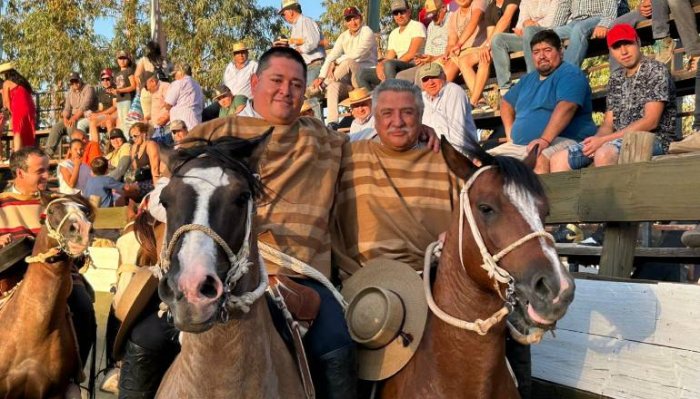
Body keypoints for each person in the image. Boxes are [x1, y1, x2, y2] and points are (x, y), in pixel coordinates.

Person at [332, 77, 459, 275]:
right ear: (376, 118)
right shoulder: (348, 155)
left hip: (436, 278)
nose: (397, 122)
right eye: (387, 113)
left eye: (407, 113)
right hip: (365, 282)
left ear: (420, 116)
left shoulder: (447, 161)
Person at [0, 147, 96, 386]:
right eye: (40, 171)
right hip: (9, 278)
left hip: (57, 276)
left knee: (84, 309)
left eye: (48, 170)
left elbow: (77, 241)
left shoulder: (58, 203)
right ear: (19, 173)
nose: (47, 176)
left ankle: (74, 375)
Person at [549, 23, 677, 171]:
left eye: (628, 43)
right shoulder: (616, 78)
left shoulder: (655, 70)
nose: (623, 51)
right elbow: (608, 124)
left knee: (604, 153)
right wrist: (596, 140)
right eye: (617, 47)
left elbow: (651, 121)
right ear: (611, 51)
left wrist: (604, 141)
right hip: (616, 139)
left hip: (654, 139)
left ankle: (610, 195)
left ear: (638, 42)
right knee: (559, 159)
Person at [491, 29, 597, 174]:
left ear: (560, 52)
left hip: (565, 139)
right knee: (480, 162)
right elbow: (506, 103)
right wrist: (511, 136)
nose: (541, 56)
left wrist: (544, 140)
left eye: (547, 50)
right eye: (536, 52)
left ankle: (544, 197)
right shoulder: (527, 79)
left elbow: (567, 107)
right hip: (521, 145)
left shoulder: (570, 74)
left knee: (538, 159)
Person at [309, 6, 377, 123]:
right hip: (349, 80)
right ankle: (332, 123)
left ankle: (321, 87)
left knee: (348, 62)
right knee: (333, 86)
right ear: (346, 23)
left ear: (360, 18)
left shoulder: (367, 31)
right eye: (349, 20)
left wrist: (336, 62)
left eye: (354, 18)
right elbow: (331, 56)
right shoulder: (343, 36)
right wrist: (321, 76)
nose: (353, 22)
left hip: (364, 76)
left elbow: (356, 54)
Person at [522, 0, 618, 71]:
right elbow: (564, 6)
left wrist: (604, 24)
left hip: (598, 17)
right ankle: (538, 77)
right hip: (576, 21)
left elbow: (611, 5)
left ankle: (567, 73)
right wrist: (553, 29)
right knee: (551, 35)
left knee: (579, 29)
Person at [460, 0, 520, 111]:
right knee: (464, 60)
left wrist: (488, 45)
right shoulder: (490, 8)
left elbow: (506, 19)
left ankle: (473, 101)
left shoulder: (511, 1)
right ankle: (481, 101)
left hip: (515, 39)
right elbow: (490, 33)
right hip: (497, 43)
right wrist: (487, 45)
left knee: (486, 56)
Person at [356, 0, 427, 89]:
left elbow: (411, 54)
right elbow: (389, 56)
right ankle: (372, 101)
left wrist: (388, 64)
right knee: (361, 74)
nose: (399, 16)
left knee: (389, 65)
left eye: (402, 12)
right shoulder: (393, 33)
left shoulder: (417, 26)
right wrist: (381, 65)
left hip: (414, 64)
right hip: (396, 66)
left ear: (409, 12)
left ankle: (391, 98)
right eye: (396, 13)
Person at [490, 0, 558, 92]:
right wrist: (522, 27)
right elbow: (521, 23)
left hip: (548, 33)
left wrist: (533, 25)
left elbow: (553, 21)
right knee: (498, 39)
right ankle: (505, 88)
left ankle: (534, 81)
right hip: (527, 36)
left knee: (529, 31)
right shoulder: (526, 1)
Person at [418, 62, 477, 151]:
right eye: (425, 79)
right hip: (433, 153)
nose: (431, 82)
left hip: (458, 154)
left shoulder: (453, 92)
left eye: (434, 77)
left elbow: (457, 136)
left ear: (444, 77)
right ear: (422, 84)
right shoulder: (420, 98)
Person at [396, 0, 452, 84]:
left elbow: (453, 48)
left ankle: (420, 97)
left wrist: (433, 58)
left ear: (443, 8)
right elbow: (428, 52)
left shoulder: (452, 19)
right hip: (430, 63)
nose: (433, 18)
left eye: (435, 15)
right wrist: (422, 58)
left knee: (421, 74)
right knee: (401, 76)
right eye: (430, 16)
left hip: (445, 61)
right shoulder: (431, 26)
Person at [45, 72, 97, 158]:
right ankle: (48, 154)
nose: (74, 84)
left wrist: (74, 118)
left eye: (76, 81)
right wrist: (65, 118)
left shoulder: (88, 88)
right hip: (72, 117)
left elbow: (85, 106)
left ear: (80, 80)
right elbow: (67, 108)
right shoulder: (70, 92)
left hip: (85, 116)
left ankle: (75, 153)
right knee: (56, 127)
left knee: (70, 127)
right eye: (72, 82)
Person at [441, 0, 488, 84]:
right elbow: (451, 42)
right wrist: (446, 53)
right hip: (462, 52)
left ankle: (477, 96)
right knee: (439, 72)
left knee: (463, 62)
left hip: (480, 47)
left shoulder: (479, 2)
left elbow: (474, 21)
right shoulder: (453, 16)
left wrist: (459, 44)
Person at [0, 62, 36, 152]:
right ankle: (27, 155)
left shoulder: (6, 83)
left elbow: (6, 103)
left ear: (5, 74)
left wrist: (11, 113)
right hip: (30, 108)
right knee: (27, 131)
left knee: (18, 131)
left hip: (18, 108)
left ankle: (17, 155)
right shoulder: (22, 82)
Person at [122, 122, 160, 203]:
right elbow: (135, 169)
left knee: (127, 191)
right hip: (140, 180)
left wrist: (157, 188)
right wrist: (134, 153)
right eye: (131, 137)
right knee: (121, 190)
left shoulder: (150, 145)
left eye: (135, 136)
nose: (133, 139)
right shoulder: (134, 148)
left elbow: (155, 168)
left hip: (151, 180)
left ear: (144, 134)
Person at [164, 62, 204, 131]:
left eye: (174, 74)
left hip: (181, 126)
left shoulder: (179, 83)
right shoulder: (197, 85)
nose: (174, 77)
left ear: (181, 72)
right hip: (196, 123)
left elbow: (168, 104)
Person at [223, 42, 258, 106]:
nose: (241, 55)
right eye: (238, 53)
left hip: (246, 102)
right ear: (234, 55)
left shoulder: (253, 66)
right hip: (229, 102)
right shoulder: (229, 67)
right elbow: (224, 86)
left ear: (247, 53)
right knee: (208, 112)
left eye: (243, 52)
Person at [88, 68, 118, 142]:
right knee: (92, 122)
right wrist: (94, 113)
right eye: (103, 79)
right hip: (104, 115)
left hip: (114, 115)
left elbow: (114, 107)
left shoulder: (115, 90)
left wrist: (99, 114)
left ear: (112, 79)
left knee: (108, 122)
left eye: (107, 79)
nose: (105, 81)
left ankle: (112, 146)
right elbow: (100, 108)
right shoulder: (101, 93)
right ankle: (96, 148)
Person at [112, 51, 137, 132]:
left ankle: (129, 140)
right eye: (120, 59)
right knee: (122, 122)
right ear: (117, 60)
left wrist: (119, 90)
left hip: (128, 99)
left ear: (128, 60)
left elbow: (133, 86)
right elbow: (118, 87)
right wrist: (115, 91)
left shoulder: (129, 70)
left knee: (127, 122)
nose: (122, 61)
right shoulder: (116, 74)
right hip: (120, 100)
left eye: (124, 59)